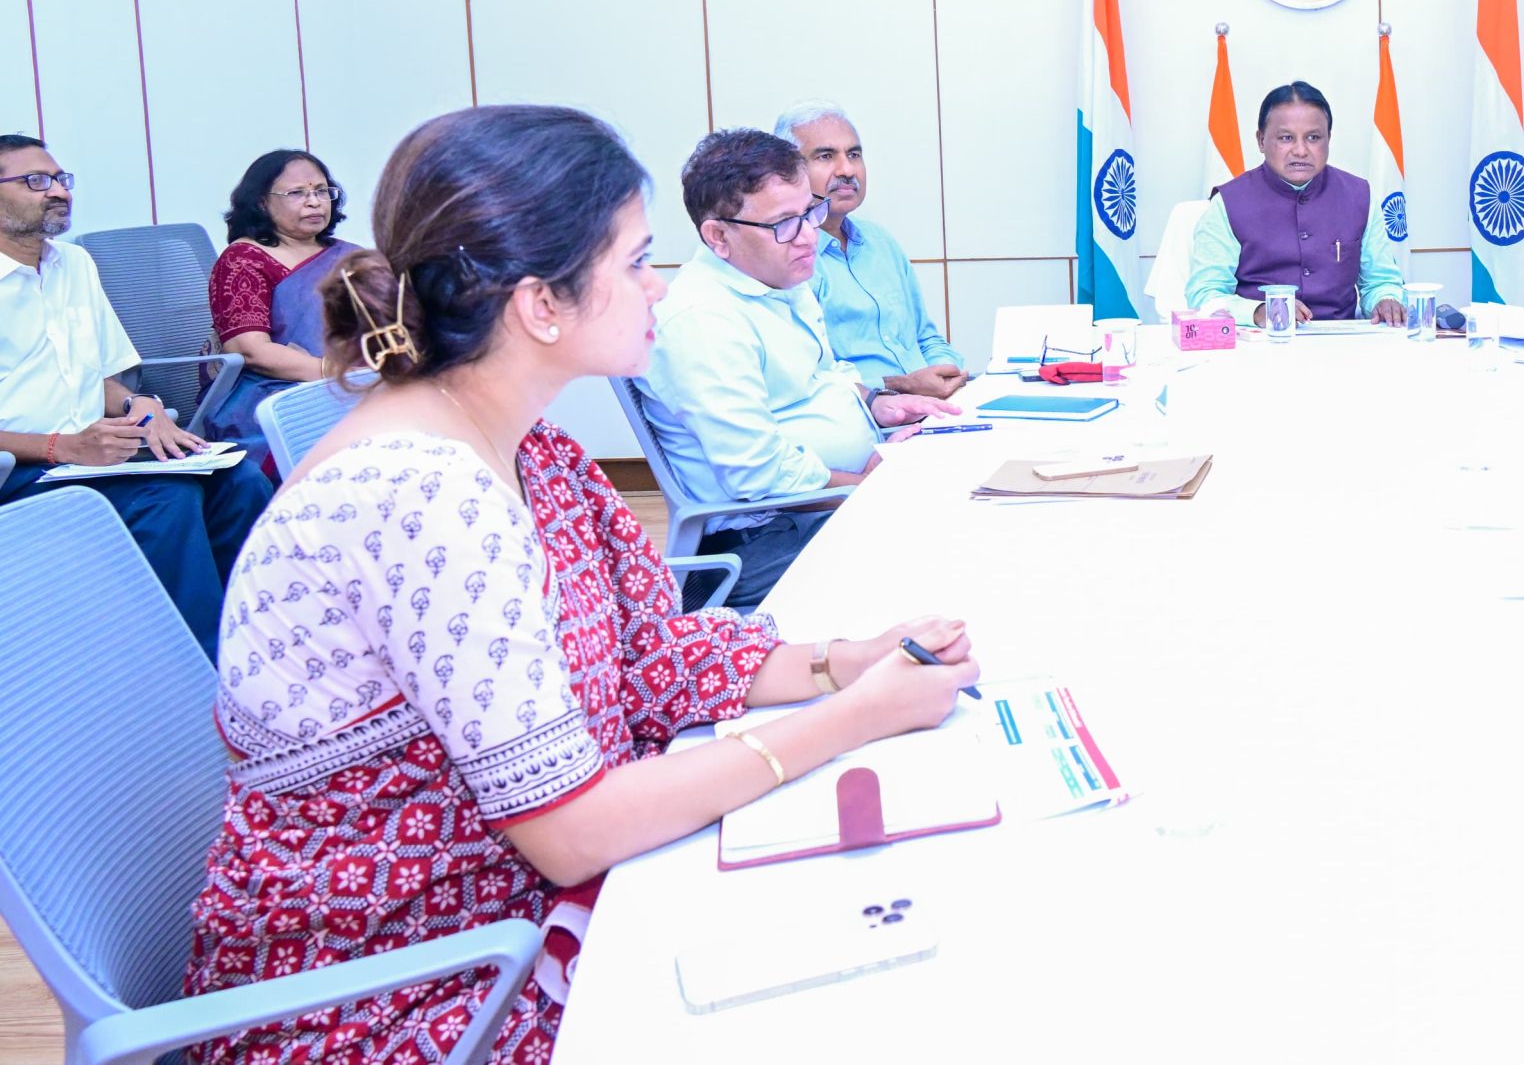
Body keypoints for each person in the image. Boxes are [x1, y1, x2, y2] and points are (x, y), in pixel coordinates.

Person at [181, 105, 984, 1064]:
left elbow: (648, 653)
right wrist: (855, 717)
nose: (658, 286)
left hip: (528, 913)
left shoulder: (528, 444)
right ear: (541, 304)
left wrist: (843, 662)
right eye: (635, 260)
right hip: (420, 988)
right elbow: (572, 831)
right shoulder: (419, 492)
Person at [637, 129, 956, 605]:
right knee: (954, 542)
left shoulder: (778, 277)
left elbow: (824, 374)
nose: (809, 235)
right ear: (719, 236)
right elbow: (759, 473)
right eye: (785, 223)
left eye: (810, 212)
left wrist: (877, 402)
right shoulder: (701, 321)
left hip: (825, 502)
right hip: (766, 538)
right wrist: (870, 485)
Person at [0, 133, 269, 656]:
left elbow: (94, 375)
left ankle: (261, 643)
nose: (58, 191)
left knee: (240, 481)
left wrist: (138, 405)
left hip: (94, 456)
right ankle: (197, 668)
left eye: (60, 179)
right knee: (166, 498)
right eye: (35, 181)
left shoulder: (73, 264)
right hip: (22, 467)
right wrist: (60, 446)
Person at [775, 101, 968, 399]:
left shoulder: (880, 242)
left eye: (854, 155)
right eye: (826, 156)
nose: (847, 170)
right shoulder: (786, 258)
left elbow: (925, 338)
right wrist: (900, 385)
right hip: (866, 415)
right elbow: (808, 378)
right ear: (787, 172)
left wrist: (946, 373)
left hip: (936, 407)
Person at [1186, 81, 1407, 327]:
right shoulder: (1227, 202)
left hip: (1341, 340)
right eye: (1286, 138)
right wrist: (1258, 312)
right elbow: (1205, 294)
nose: (1300, 150)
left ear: (1328, 139)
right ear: (1261, 140)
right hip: (1260, 341)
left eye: (1313, 137)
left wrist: (1385, 300)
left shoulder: (1359, 196)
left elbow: (1381, 282)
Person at [199, 149, 362, 469]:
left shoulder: (351, 258)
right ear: (262, 202)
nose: (314, 202)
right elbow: (251, 351)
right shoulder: (244, 260)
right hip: (274, 397)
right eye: (297, 193)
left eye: (321, 191)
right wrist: (338, 376)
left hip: (356, 384)